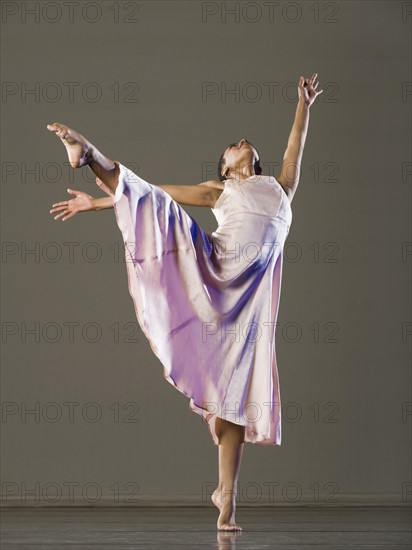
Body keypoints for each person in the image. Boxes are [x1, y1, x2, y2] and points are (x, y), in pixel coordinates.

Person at [47, 73, 323, 531]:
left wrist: (304, 105)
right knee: (157, 208)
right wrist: (95, 204)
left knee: (234, 400)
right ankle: (89, 153)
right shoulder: (220, 191)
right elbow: (160, 192)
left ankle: (226, 503)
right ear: (226, 168)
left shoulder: (281, 187)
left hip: (246, 308)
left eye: (244, 144)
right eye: (233, 147)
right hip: (213, 271)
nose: (240, 141)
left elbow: (295, 146)